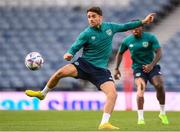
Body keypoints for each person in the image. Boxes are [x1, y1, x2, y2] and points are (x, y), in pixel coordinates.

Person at [25, 7, 155, 130]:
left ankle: (104, 123)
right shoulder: (86, 33)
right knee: (60, 73)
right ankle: (42, 94)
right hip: (84, 64)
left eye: (93, 16)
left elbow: (126, 26)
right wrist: (69, 53)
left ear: (100, 17)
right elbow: (75, 46)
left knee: (113, 94)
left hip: (100, 70)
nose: (91, 19)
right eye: (88, 17)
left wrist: (143, 21)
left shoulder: (110, 27)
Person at [114, 25, 169, 125]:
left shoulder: (150, 37)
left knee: (159, 85)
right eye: (133, 28)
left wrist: (151, 65)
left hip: (152, 67)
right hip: (138, 69)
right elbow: (120, 53)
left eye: (137, 27)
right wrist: (116, 68)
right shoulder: (127, 41)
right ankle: (140, 118)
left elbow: (159, 52)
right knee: (141, 87)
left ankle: (162, 112)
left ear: (141, 28)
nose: (134, 29)